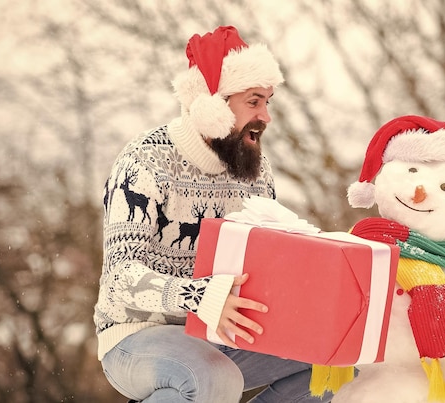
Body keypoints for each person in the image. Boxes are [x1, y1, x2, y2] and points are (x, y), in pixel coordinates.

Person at [94, 26, 333, 402]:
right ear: (214, 105)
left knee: (333, 363)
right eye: (254, 102)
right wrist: (201, 296)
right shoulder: (145, 160)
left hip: (221, 330)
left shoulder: (256, 170)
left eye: (269, 102)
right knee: (212, 377)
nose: (266, 116)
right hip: (135, 335)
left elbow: (267, 261)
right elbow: (119, 279)